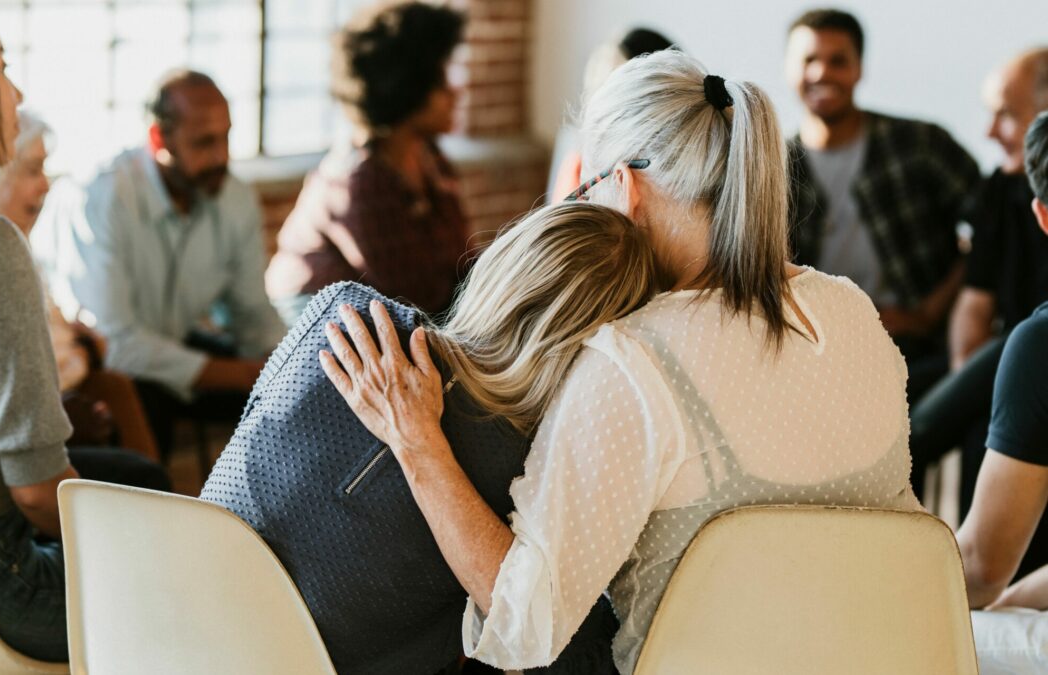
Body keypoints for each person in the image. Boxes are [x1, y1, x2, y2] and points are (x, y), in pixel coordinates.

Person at [322, 50, 921, 673]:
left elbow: (527, 625)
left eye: (588, 185)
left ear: (625, 187)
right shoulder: (854, 312)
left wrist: (416, 441)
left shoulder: (634, 361)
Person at [203, 202, 658, 674]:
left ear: (503, 264)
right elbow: (563, 654)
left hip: (174, 619)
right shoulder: (529, 471)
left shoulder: (337, 313)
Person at [0, 3, 167, 662]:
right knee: (194, 572)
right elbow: (32, 491)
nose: (17, 95)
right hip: (0, 572)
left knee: (143, 480)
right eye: (1, 68)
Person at [38, 69, 287, 460]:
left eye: (226, 138)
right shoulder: (101, 196)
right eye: (204, 142)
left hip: (173, 345)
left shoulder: (234, 198)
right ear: (158, 139)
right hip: (97, 367)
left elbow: (252, 313)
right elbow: (114, 343)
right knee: (149, 403)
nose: (221, 156)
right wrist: (239, 373)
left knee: (283, 400)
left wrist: (285, 369)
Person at [785, 9, 980, 400]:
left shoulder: (920, 145)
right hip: (818, 358)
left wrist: (929, 311)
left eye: (838, 60)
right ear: (789, 69)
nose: (822, 72)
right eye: (809, 60)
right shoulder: (772, 168)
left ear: (859, 69)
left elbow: (994, 225)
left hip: (922, 350)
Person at [909, 49, 1048, 531]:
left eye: (1006, 114)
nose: (990, 132)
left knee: (923, 427)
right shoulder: (998, 191)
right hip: (1005, 352)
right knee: (896, 386)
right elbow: (974, 299)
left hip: (1033, 345)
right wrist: (971, 377)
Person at [264, 1, 470, 323]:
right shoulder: (358, 181)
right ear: (408, 89)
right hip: (323, 325)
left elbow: (462, 261)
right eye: (441, 82)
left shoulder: (430, 157)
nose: (456, 92)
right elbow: (414, 298)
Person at [0, 109, 159, 460]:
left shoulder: (23, 248)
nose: (45, 184)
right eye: (32, 170)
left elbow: (60, 344)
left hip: (66, 394)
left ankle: (162, 503)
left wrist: (81, 344)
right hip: (38, 419)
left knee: (120, 387)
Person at [955, 110, 1048, 674]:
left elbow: (983, 568)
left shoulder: (1040, 345)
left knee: (932, 638)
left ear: (1042, 215)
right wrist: (1017, 602)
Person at [546, 27, 676, 202]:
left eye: (608, 81)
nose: (594, 95)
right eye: (593, 80)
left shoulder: (670, 172)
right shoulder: (579, 161)